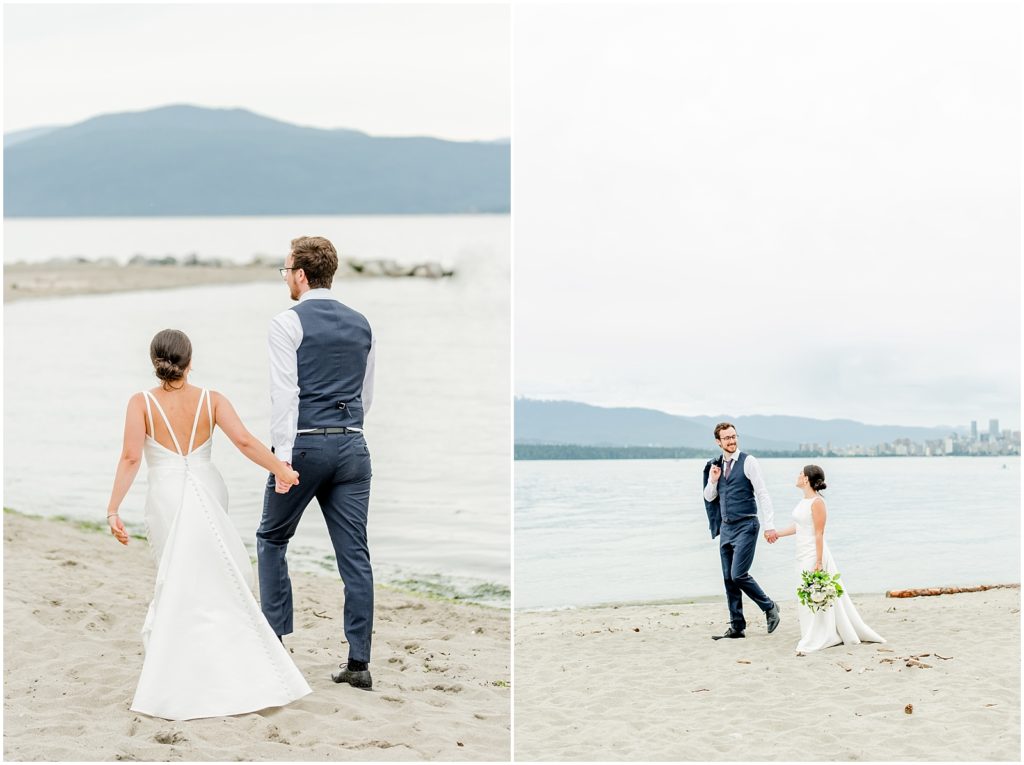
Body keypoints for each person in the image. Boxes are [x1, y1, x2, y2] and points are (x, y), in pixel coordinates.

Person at [105, 329, 312, 721]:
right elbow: (248, 443)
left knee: (179, 577)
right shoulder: (211, 399)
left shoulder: (140, 403)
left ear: (155, 362)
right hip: (208, 486)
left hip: (166, 495)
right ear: (190, 360)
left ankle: (180, 666)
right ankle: (235, 664)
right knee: (218, 575)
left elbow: (131, 457)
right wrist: (283, 469)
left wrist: (113, 509)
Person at [258, 236, 377, 689]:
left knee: (271, 538)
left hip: (306, 445)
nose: (285, 277)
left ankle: (275, 648)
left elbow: (284, 396)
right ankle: (359, 663)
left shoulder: (286, 322)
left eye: (286, 270)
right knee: (355, 557)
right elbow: (366, 396)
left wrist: (281, 462)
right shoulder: (362, 323)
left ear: (302, 275)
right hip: (352, 446)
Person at [772, 465, 885, 652]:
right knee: (805, 593)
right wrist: (777, 534)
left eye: (801, 473)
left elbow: (819, 533)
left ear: (807, 479)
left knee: (816, 592)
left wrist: (818, 561)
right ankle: (810, 631)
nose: (798, 476)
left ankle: (824, 634)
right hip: (800, 554)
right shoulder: (804, 501)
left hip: (813, 554)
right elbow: (798, 526)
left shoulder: (818, 503)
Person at [702, 422, 781, 639]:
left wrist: (769, 525)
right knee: (728, 579)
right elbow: (709, 497)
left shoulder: (749, 462)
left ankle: (769, 606)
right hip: (726, 527)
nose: (731, 441)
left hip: (747, 524)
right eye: (726, 438)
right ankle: (737, 626)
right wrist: (713, 480)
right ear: (718, 442)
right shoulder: (715, 465)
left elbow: (763, 494)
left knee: (738, 574)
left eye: (734, 436)